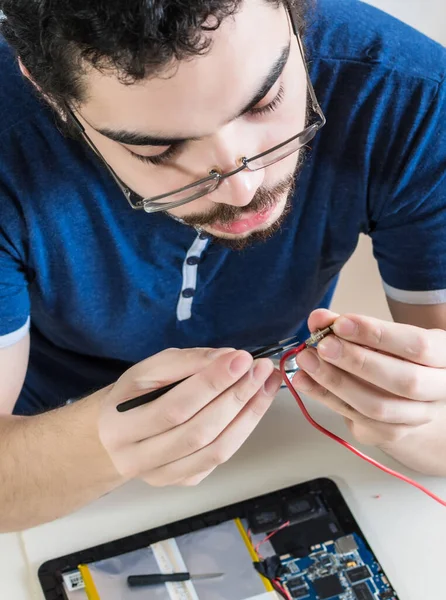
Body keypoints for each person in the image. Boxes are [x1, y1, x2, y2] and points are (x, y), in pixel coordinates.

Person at [0, 0, 444, 532]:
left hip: (281, 417)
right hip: (43, 422)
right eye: (158, 149)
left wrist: (414, 417)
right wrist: (101, 445)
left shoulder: (411, 93)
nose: (243, 186)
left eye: (265, 101)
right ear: (48, 91)